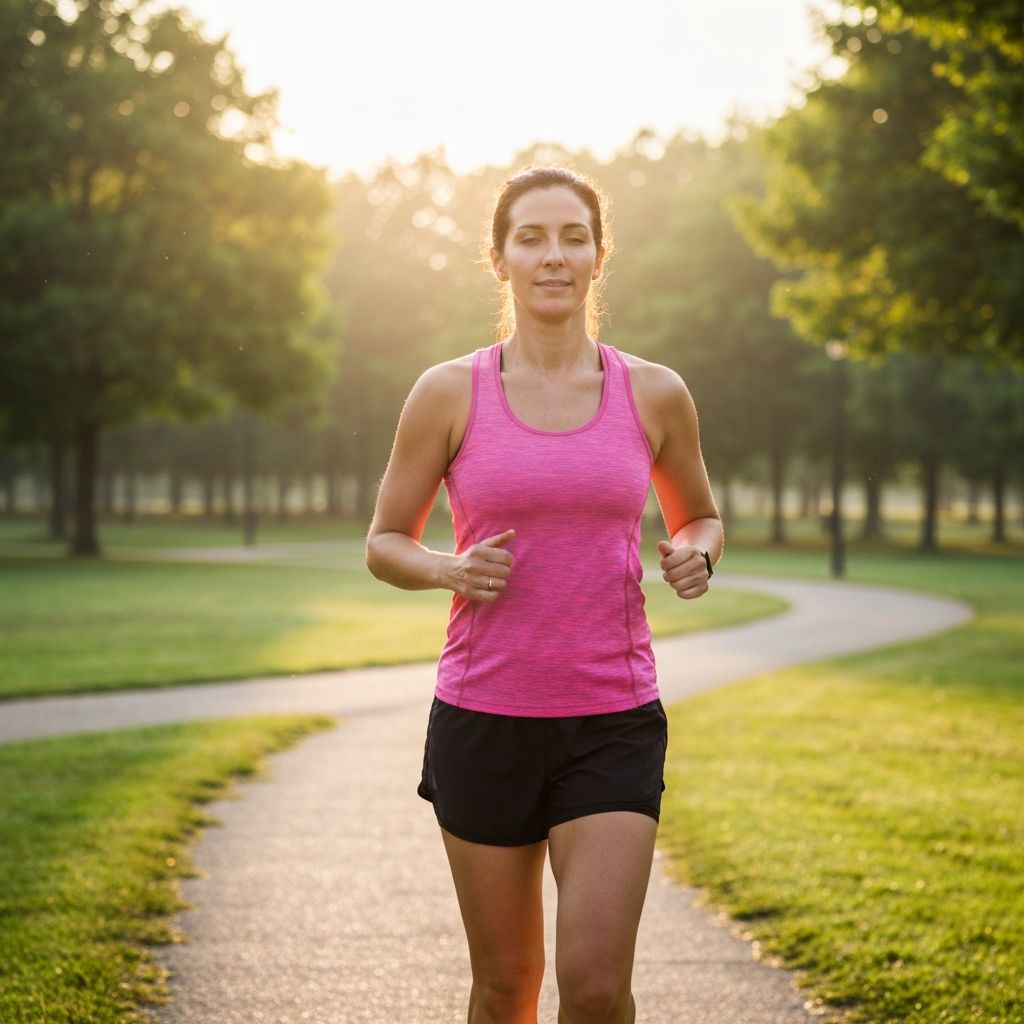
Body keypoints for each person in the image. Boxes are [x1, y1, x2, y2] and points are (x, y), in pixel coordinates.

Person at [365, 166, 723, 1024]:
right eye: (531, 237)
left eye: (572, 237)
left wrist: (693, 554)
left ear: (601, 256)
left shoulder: (655, 392)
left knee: (597, 991)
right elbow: (384, 543)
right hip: (485, 716)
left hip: (612, 717)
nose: (553, 256)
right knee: (505, 986)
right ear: (499, 260)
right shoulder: (450, 391)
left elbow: (701, 516)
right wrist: (447, 567)